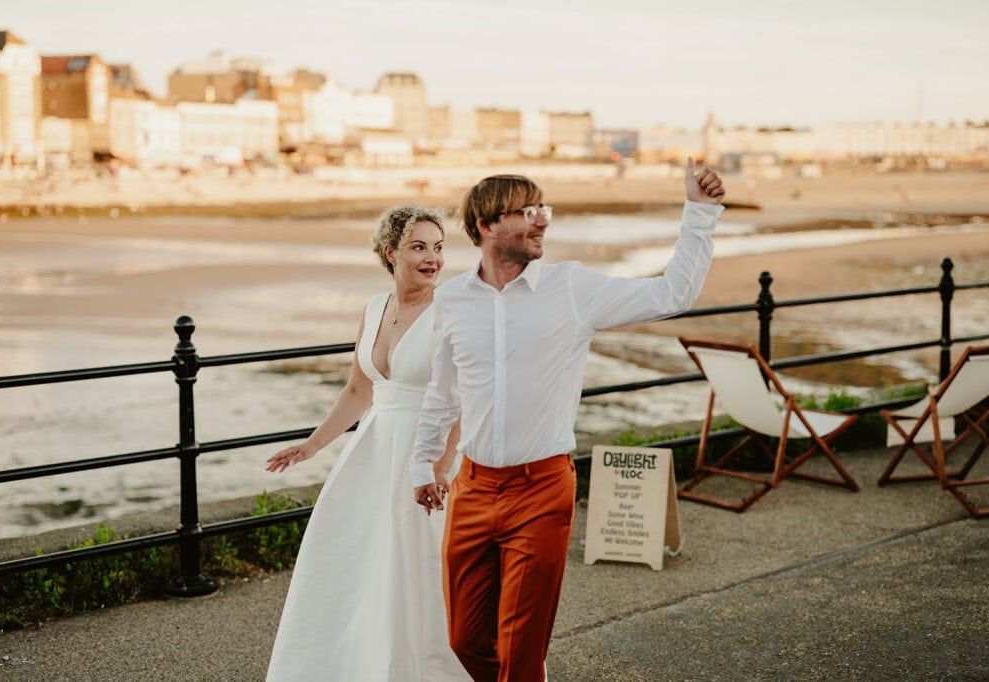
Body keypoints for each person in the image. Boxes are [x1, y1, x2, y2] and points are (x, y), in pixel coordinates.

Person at [411, 158, 726, 681]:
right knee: (464, 640)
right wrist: (424, 463)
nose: (542, 221)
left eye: (544, 209)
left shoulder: (573, 289)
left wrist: (699, 211)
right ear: (487, 227)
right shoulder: (451, 302)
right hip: (472, 487)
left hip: (541, 490)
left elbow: (674, 293)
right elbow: (442, 395)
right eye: (527, 211)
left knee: (521, 649)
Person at [264, 206, 469, 681]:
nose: (432, 258)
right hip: (374, 451)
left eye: (438, 247)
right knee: (358, 562)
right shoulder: (375, 308)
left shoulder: (453, 310)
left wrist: (439, 467)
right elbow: (359, 390)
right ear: (390, 252)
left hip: (428, 455)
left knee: (417, 569)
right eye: (419, 247)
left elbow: (461, 399)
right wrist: (312, 446)